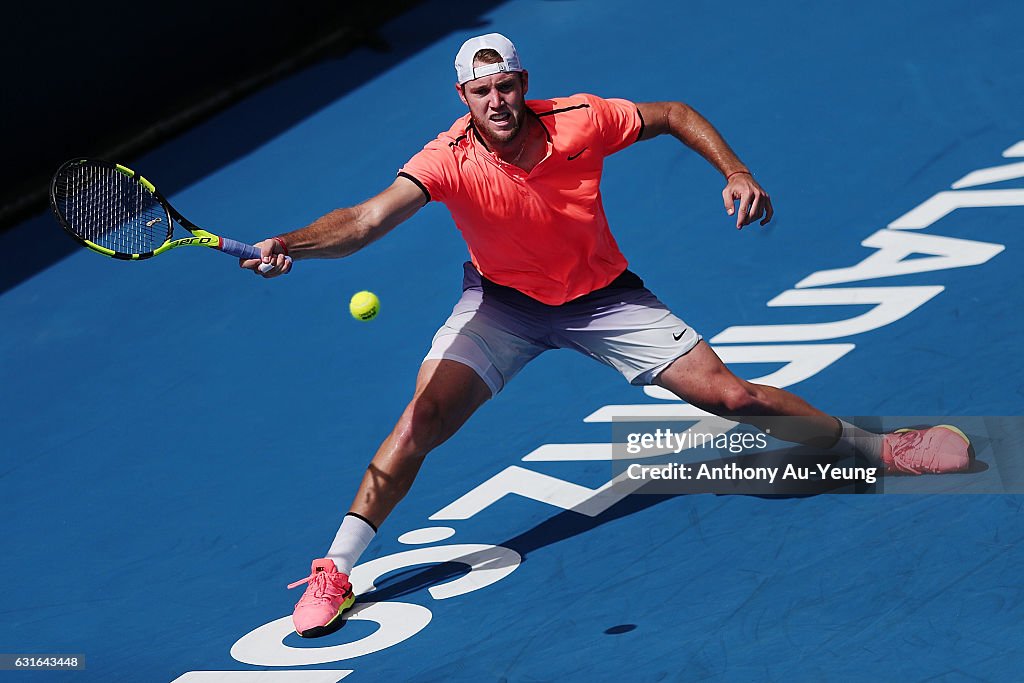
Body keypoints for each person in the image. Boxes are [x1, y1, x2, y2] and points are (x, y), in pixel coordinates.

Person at [241, 33, 972, 638]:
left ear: (522, 84)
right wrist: (290, 244)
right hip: (504, 306)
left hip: (603, 300)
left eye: (507, 86)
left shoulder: (580, 120)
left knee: (733, 397)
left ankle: (880, 446)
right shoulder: (447, 159)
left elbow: (676, 114)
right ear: (462, 98)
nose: (498, 101)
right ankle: (336, 569)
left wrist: (735, 170)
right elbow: (365, 222)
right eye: (481, 91)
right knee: (423, 417)